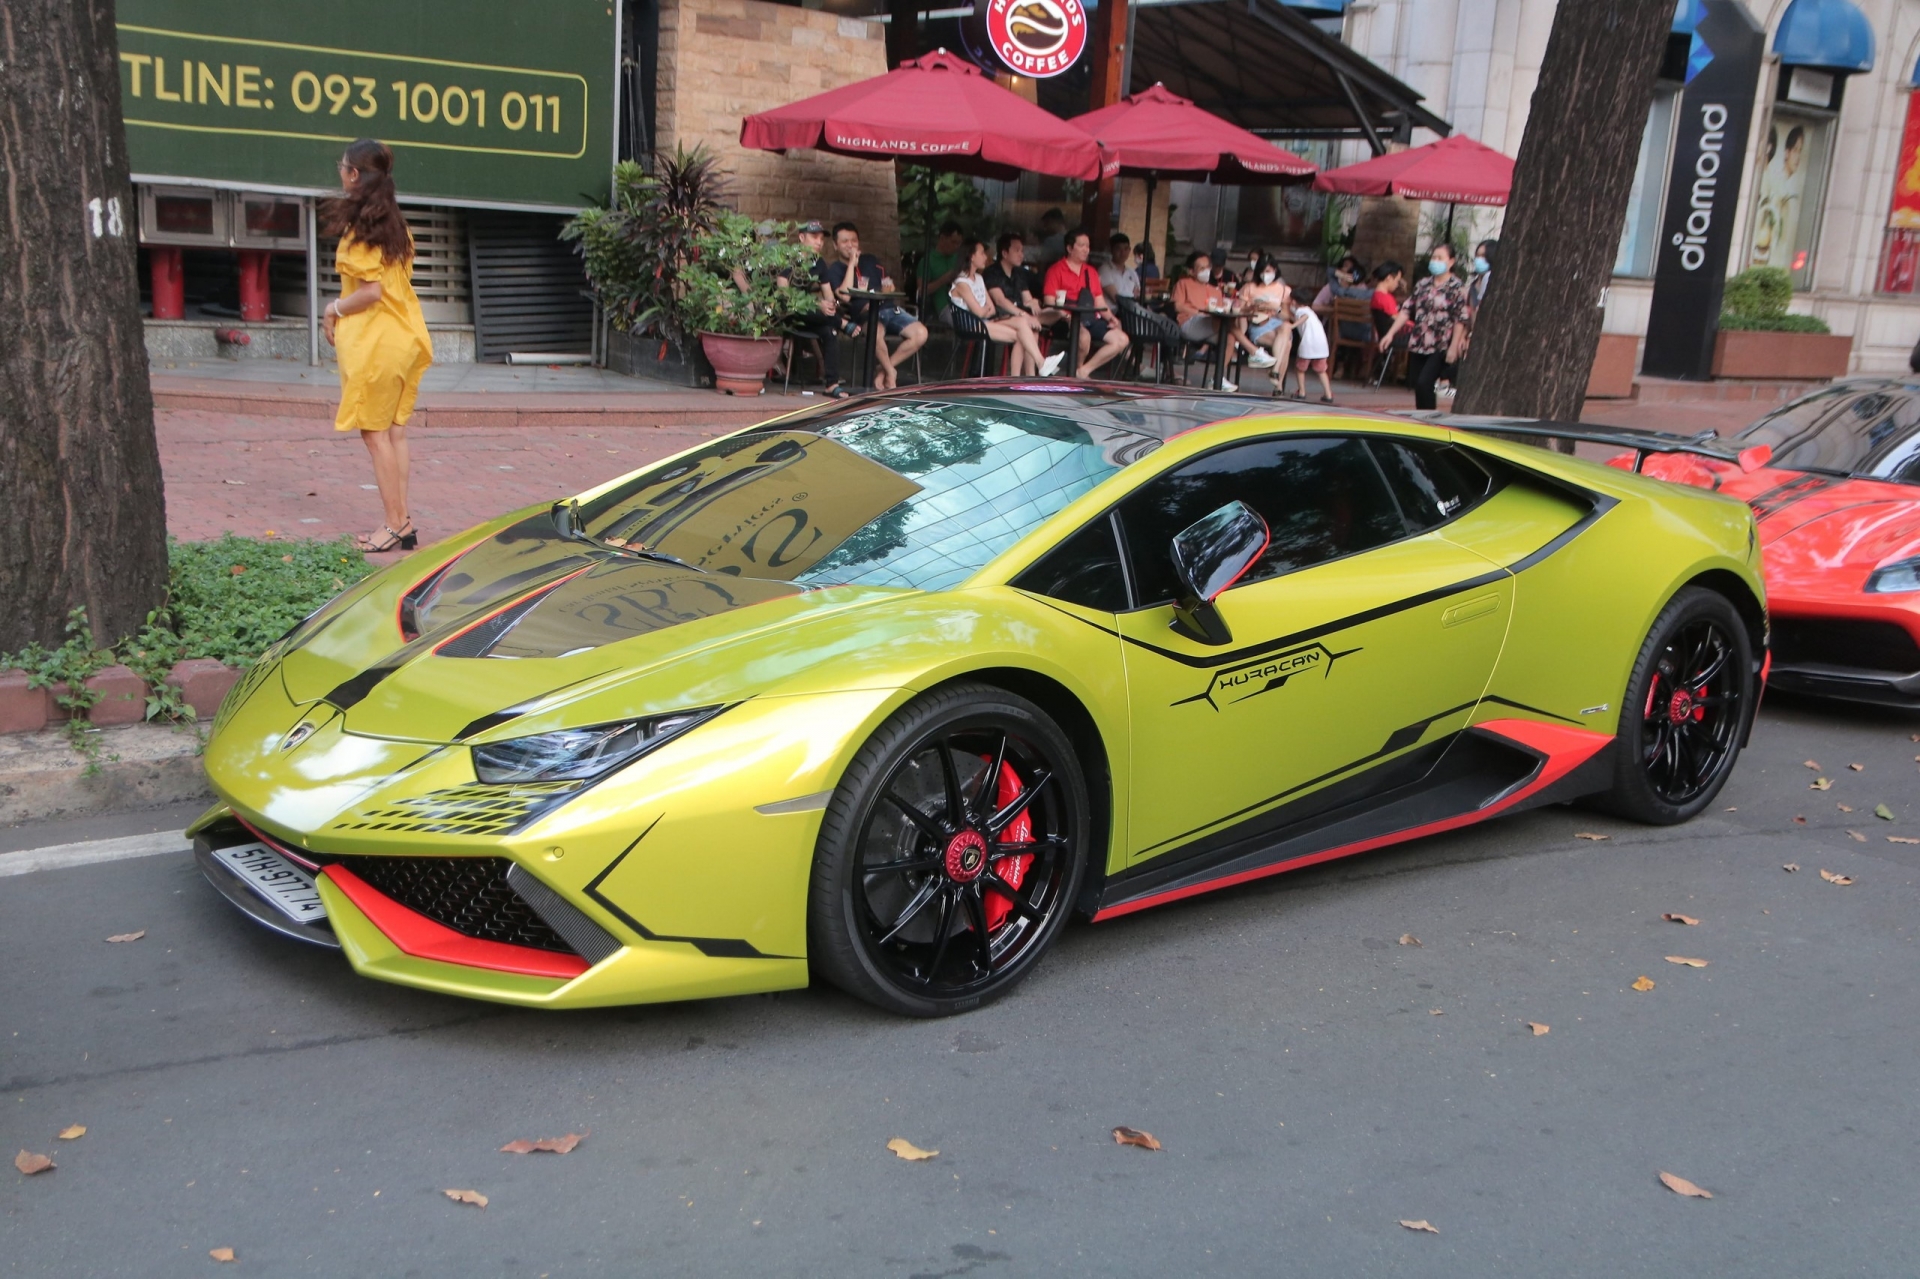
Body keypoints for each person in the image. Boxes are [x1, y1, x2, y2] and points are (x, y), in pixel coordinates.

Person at [321, 138, 432, 553]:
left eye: (343, 167)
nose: (340, 173)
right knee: (395, 434)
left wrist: (333, 308)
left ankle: (393, 524)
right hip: (405, 338)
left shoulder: (362, 230)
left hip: (376, 343)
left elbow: (370, 292)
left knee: (375, 435)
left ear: (354, 175)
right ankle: (402, 522)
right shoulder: (396, 225)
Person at [826, 221, 927, 390]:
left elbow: (887, 282)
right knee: (876, 334)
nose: (850, 245)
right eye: (845, 242)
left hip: (890, 309)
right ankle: (890, 372)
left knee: (921, 333)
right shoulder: (835, 269)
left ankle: (884, 370)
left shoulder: (870, 260)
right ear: (835, 245)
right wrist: (852, 264)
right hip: (866, 314)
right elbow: (844, 296)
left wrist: (889, 286)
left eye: (854, 241)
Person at [1378, 242, 1468, 411]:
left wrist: (1454, 346)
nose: (1435, 261)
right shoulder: (1423, 284)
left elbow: (1460, 318)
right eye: (1433, 257)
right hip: (1420, 341)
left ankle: (1430, 419)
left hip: (1441, 343)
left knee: (1424, 382)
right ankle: (1424, 418)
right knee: (1418, 385)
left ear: (1451, 262)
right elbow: (1406, 310)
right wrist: (1390, 334)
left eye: (1440, 258)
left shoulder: (1456, 287)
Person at [949, 238, 1047, 376]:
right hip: (971, 324)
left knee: (1022, 326)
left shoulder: (979, 278)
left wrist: (984, 311)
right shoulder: (962, 283)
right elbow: (978, 312)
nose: (986, 257)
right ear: (971, 257)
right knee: (1022, 335)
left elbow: (991, 309)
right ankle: (1036, 366)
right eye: (982, 253)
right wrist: (984, 311)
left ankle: (1026, 373)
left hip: (985, 321)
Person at [1041, 228, 1130, 378]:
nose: (1086, 250)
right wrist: (1065, 316)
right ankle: (1075, 372)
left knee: (1122, 340)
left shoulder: (1091, 272)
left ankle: (1083, 371)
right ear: (1069, 248)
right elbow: (1049, 302)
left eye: (1087, 246)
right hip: (1064, 319)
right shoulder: (1056, 270)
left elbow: (1099, 301)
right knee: (1084, 338)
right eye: (1081, 245)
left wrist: (1111, 318)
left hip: (1090, 318)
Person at [1172, 251, 1268, 386]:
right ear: (1191, 271)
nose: (1206, 271)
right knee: (1222, 321)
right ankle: (1253, 350)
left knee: (1230, 336)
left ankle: (1218, 379)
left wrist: (1247, 309)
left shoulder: (1215, 290)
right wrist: (1199, 313)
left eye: (1208, 267)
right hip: (1189, 324)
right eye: (1201, 268)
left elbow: (1224, 309)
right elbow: (1178, 306)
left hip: (1212, 325)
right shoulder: (1183, 283)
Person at [983, 232, 1063, 373]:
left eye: (1022, 251)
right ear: (1005, 253)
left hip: (1020, 317)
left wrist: (1032, 303)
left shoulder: (1018, 273)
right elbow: (1000, 301)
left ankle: (1029, 376)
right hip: (1000, 316)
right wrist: (1024, 315)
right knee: (1027, 327)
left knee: (1055, 315)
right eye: (1017, 250)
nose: (1022, 254)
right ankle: (1034, 369)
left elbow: (1027, 298)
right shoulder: (992, 272)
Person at [783, 220, 845, 397]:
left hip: (812, 317)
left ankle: (831, 385)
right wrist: (816, 304)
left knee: (830, 331)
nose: (819, 242)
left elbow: (828, 293)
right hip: (789, 312)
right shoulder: (789, 259)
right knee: (830, 320)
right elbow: (783, 293)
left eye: (821, 238)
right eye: (814, 237)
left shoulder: (819, 263)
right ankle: (842, 322)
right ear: (802, 237)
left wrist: (831, 306)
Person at [1239, 259, 1293, 371]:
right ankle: (1277, 382)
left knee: (1286, 325)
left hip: (1277, 323)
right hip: (1259, 323)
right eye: (1262, 271)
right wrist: (1252, 307)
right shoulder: (1249, 287)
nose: (1265, 275)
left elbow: (1286, 316)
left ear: (1275, 270)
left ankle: (1275, 371)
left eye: (1268, 271)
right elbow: (1239, 310)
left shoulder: (1283, 289)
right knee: (1286, 345)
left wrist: (1275, 308)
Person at [1287, 302, 1332, 403]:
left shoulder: (1301, 311)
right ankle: (1328, 394)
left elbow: (1303, 317)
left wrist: (1292, 325)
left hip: (1308, 344)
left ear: (1294, 301)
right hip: (1321, 345)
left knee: (1300, 369)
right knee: (1321, 370)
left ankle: (1302, 392)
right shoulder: (1310, 311)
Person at [917, 222, 965, 307]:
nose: (956, 246)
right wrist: (943, 280)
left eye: (959, 243)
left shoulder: (960, 258)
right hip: (943, 306)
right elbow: (921, 290)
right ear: (942, 238)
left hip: (963, 302)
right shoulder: (928, 260)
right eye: (953, 242)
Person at [1099, 233, 1141, 300]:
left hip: (1131, 309)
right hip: (1112, 310)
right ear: (1111, 250)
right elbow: (1116, 298)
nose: (1123, 253)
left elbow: (1138, 295)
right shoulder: (1104, 270)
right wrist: (1133, 295)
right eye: (1118, 249)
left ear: (1129, 250)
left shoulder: (1132, 272)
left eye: (1126, 249)